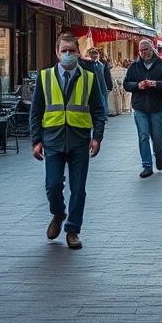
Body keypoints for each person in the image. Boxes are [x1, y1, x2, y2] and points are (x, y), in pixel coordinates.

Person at [30, 34, 106, 250]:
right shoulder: (45, 77)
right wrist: (36, 140)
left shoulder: (89, 77)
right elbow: (36, 111)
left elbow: (99, 110)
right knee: (52, 185)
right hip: (52, 140)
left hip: (79, 140)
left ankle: (72, 230)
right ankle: (58, 213)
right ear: (57, 52)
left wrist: (97, 137)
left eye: (72, 50)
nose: (68, 54)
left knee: (78, 188)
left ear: (78, 53)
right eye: (64, 50)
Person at [123, 39, 162, 178]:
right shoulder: (134, 66)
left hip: (156, 106)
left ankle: (158, 154)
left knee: (157, 139)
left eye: (146, 49)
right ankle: (147, 165)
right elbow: (126, 84)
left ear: (152, 49)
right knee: (143, 136)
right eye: (141, 50)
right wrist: (138, 86)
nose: (144, 53)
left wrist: (155, 84)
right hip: (139, 106)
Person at [84, 48, 113, 116]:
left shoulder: (100, 65)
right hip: (99, 85)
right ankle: (103, 113)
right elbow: (107, 75)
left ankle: (103, 114)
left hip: (101, 85)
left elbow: (106, 75)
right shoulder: (98, 65)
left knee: (102, 99)